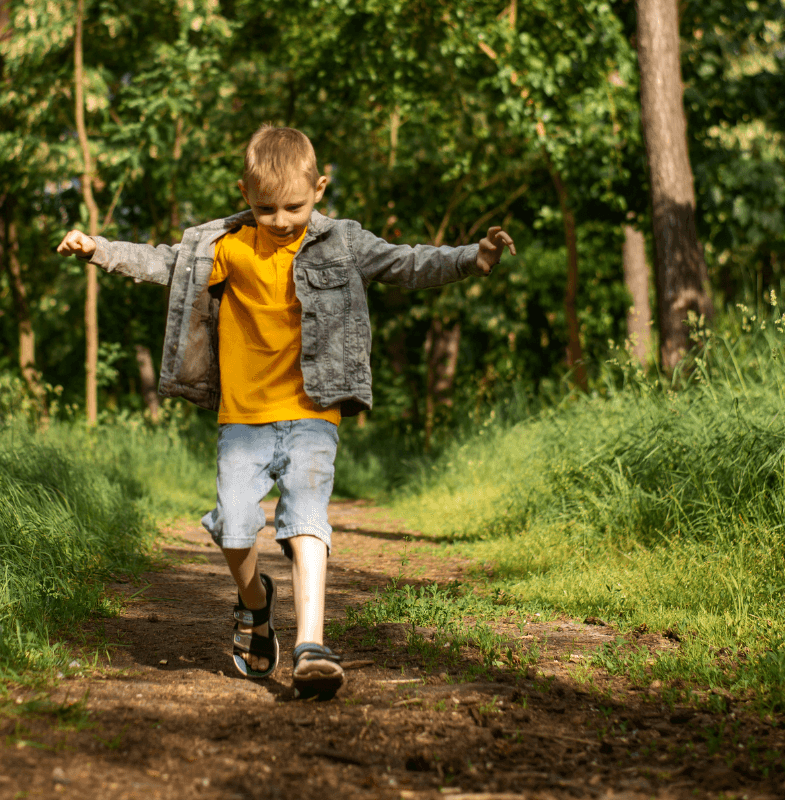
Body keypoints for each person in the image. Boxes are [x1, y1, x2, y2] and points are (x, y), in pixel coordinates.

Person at [57, 125, 515, 700]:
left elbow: (408, 263)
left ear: (319, 189)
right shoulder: (222, 246)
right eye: (264, 206)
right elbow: (162, 264)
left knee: (305, 516)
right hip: (242, 418)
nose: (279, 219)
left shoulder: (343, 243)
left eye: (293, 206)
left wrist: (477, 258)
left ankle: (312, 645)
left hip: (312, 410)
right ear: (244, 191)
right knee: (233, 524)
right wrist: (99, 249)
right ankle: (255, 604)